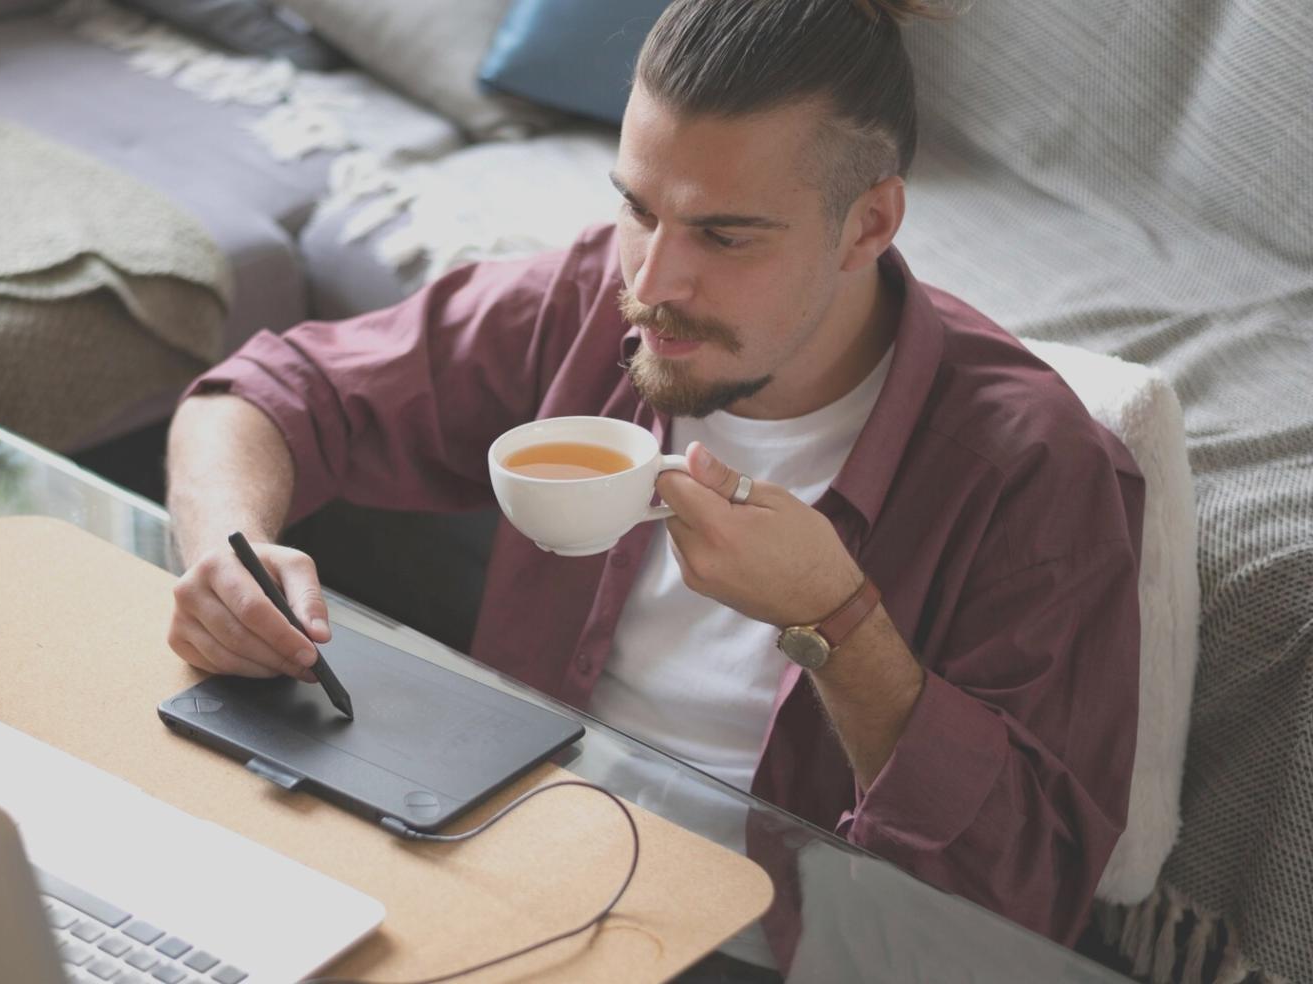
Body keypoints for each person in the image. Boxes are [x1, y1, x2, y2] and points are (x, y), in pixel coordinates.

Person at [163, 0, 1143, 962]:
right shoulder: (601, 299)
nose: (655, 282)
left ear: (868, 223)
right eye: (637, 207)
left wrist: (838, 622)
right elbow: (261, 396)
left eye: (725, 235)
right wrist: (224, 554)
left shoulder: (1034, 469)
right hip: (504, 867)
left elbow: (1023, 903)